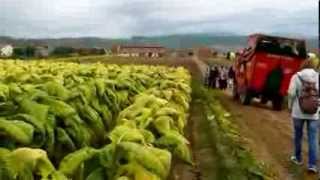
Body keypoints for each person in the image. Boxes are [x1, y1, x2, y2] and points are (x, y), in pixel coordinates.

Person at [287, 60, 319, 173]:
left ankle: (298, 158)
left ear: (303, 65)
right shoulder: (318, 77)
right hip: (314, 113)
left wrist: (290, 106)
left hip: (298, 112)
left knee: (298, 135)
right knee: (313, 138)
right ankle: (312, 165)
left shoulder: (296, 76)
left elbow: (291, 93)